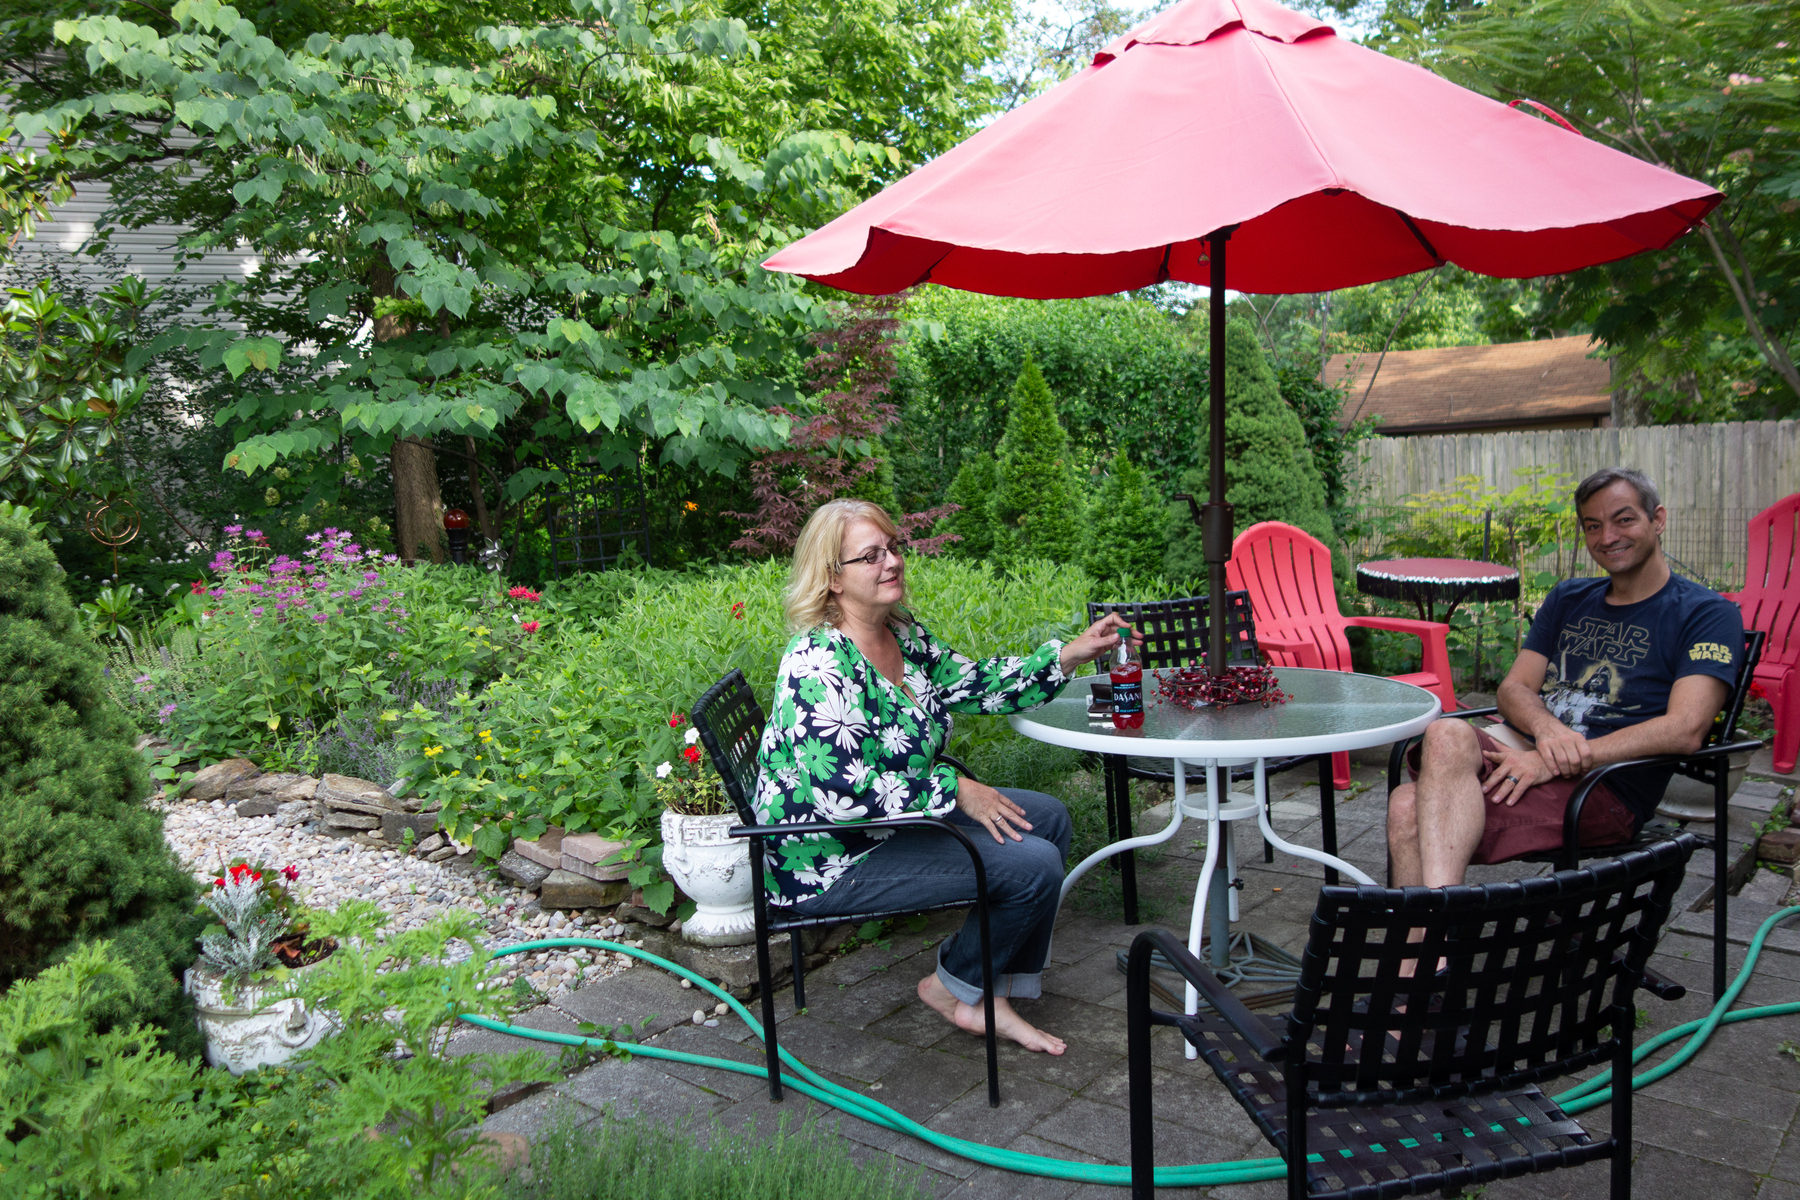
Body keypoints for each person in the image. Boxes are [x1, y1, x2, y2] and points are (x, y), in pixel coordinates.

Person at [754, 498, 1136, 1055]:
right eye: (870, 556)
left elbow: (974, 683)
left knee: (1047, 818)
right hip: (830, 855)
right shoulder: (818, 663)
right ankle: (955, 988)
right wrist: (955, 789)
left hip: (892, 817)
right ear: (832, 579)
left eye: (893, 548)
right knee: (1033, 865)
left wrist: (1070, 654)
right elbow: (840, 794)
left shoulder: (900, 632)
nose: (892, 563)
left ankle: (981, 993)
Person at [1387, 468, 1743, 910]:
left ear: (1658, 519)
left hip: (1607, 787)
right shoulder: (1569, 598)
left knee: (1408, 807)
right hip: (1526, 749)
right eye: (1593, 526)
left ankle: (1424, 944)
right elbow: (1514, 688)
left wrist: (1551, 760)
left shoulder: (1705, 614)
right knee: (1444, 734)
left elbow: (1685, 729)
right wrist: (1548, 731)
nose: (1607, 536)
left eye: (1623, 519)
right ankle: (1433, 939)